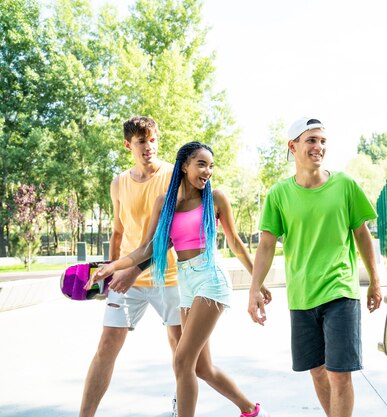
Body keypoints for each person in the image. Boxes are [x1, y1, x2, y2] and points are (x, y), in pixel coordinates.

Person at [90, 141, 271, 417]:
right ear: (184, 165)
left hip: (211, 279)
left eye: (210, 166)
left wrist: (256, 283)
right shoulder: (164, 202)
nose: (207, 171)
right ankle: (251, 410)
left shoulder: (216, 198)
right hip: (186, 283)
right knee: (201, 367)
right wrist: (113, 265)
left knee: (183, 361)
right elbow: (147, 248)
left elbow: (235, 243)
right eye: (201, 164)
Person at [247, 117, 382, 417]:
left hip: (340, 291)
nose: (318, 146)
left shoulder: (344, 184)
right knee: (317, 370)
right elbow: (267, 244)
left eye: (322, 141)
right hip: (302, 294)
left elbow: (362, 234)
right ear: (292, 146)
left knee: (338, 372)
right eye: (311, 140)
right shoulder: (279, 194)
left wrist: (375, 280)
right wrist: (254, 288)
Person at [80, 116, 183, 417]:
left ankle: (181, 406)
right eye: (141, 141)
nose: (148, 146)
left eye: (152, 139)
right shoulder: (119, 182)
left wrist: (133, 269)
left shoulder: (172, 176)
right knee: (106, 347)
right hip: (126, 279)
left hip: (169, 276)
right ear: (128, 145)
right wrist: (109, 273)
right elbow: (118, 232)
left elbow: (174, 234)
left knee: (180, 348)